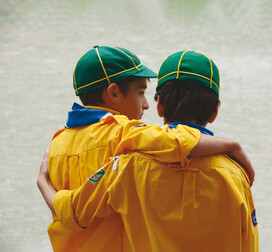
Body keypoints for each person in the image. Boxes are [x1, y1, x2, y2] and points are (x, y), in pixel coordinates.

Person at [37, 46, 255, 252]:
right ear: (215, 111)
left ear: (160, 105)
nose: (146, 104)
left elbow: (74, 209)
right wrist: (231, 144)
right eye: (141, 92)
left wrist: (43, 184)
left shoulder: (65, 146)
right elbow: (174, 141)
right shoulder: (126, 137)